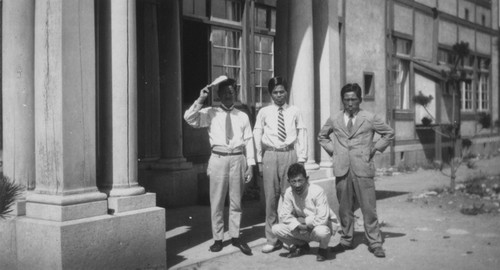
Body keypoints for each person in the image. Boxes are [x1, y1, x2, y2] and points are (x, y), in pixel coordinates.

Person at [317, 83, 394, 258]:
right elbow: (322, 136)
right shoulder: (335, 118)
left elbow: (389, 133)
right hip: (342, 168)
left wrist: (375, 148)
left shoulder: (370, 117)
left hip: (363, 167)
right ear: (342, 100)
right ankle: (346, 240)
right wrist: (334, 151)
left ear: (360, 100)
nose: (350, 103)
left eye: (353, 99)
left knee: (368, 207)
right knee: (344, 207)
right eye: (346, 99)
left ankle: (375, 242)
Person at [184, 78, 255, 256]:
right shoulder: (211, 113)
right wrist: (200, 99)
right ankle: (217, 239)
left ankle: (236, 236)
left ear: (235, 94)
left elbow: (249, 141)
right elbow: (189, 118)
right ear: (218, 95)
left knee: (236, 200)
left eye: (231, 92)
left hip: (238, 158)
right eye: (224, 92)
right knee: (216, 201)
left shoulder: (243, 115)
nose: (228, 95)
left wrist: (251, 165)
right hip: (218, 158)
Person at [253, 76, 308, 253]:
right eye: (275, 92)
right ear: (271, 94)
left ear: (286, 92)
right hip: (270, 155)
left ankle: (289, 236)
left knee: (290, 197)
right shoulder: (264, 112)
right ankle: (272, 238)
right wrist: (259, 160)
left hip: (289, 154)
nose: (279, 95)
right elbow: (256, 135)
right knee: (271, 198)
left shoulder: (295, 111)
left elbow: (302, 135)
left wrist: (302, 159)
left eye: (282, 91)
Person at [272, 163, 338, 262]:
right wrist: (299, 225)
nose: (297, 185)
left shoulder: (317, 191)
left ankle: (323, 249)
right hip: (301, 226)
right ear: (288, 181)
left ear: (307, 179)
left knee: (323, 232)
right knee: (276, 229)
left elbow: (322, 219)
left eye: (300, 180)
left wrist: (305, 222)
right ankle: (302, 246)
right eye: (293, 181)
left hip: (319, 226)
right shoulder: (289, 192)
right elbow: (284, 215)